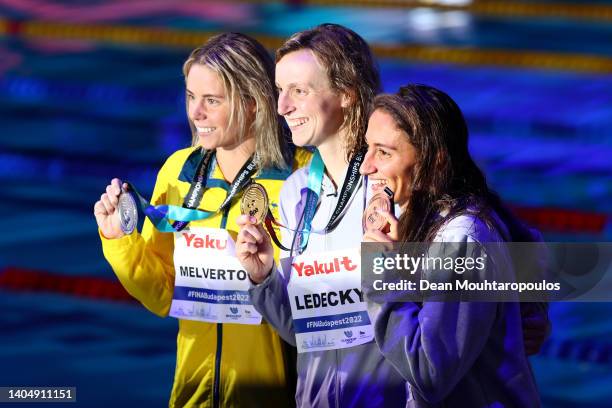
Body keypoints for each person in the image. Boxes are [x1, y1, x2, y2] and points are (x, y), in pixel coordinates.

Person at [236, 24, 548, 407]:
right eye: (280, 90)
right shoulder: (298, 194)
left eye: (299, 91)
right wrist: (265, 278)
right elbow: (313, 328)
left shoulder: (400, 187)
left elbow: (502, 237)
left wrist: (524, 310)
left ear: (347, 94)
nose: (282, 106)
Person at [93, 33, 309, 407]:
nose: (195, 113)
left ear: (253, 103)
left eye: (211, 100)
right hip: (192, 392)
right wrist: (120, 243)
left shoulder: (300, 176)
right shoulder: (178, 171)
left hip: (272, 394)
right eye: (191, 97)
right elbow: (163, 295)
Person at [360, 84, 540, 406]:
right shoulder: (433, 216)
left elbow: (429, 372)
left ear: (435, 162)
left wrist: (383, 277)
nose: (366, 166)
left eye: (384, 152)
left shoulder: (462, 238)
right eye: (368, 148)